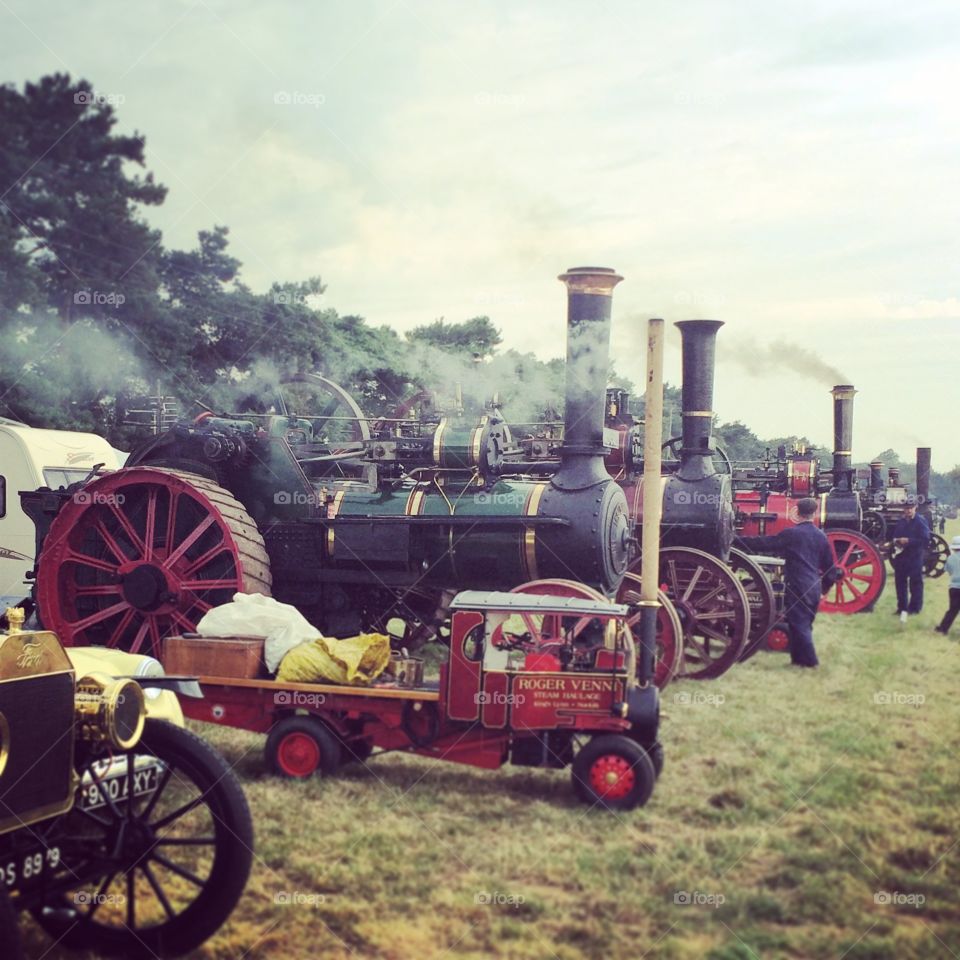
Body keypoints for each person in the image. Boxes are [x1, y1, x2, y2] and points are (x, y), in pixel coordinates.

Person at [735, 497, 839, 669]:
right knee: (802, 624)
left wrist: (736, 540)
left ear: (797, 512)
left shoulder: (791, 534)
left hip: (797, 585)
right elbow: (830, 567)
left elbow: (765, 543)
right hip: (814, 586)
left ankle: (812, 663)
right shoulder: (821, 536)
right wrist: (825, 587)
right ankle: (798, 661)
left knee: (799, 624)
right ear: (814, 513)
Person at [890, 501, 930, 622]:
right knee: (900, 583)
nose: (908, 511)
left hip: (915, 556)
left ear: (915, 508)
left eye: (910, 508)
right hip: (901, 556)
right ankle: (902, 607)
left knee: (915, 583)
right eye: (906, 508)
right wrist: (895, 541)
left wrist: (908, 540)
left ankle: (915, 608)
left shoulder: (920, 521)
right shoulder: (901, 522)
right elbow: (895, 535)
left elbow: (925, 539)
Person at [934, 535, 960, 636]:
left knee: (952, 610)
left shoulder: (950, 558)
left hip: (953, 588)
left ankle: (942, 629)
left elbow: (948, 571)